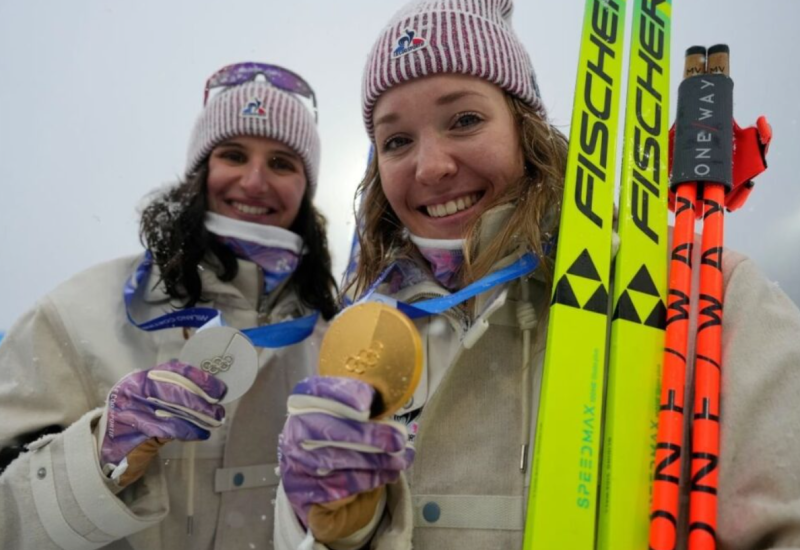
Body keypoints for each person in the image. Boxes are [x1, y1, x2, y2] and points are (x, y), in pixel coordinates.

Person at [273, 1, 800, 549]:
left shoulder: (701, 292)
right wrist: (326, 525)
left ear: (526, 129)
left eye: (466, 120)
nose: (430, 166)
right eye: (397, 141)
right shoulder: (367, 335)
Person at [0, 61, 337, 549]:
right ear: (199, 173)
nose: (255, 181)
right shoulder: (78, 312)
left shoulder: (334, 336)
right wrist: (96, 460)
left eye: (282, 163)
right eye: (233, 154)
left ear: (306, 190)